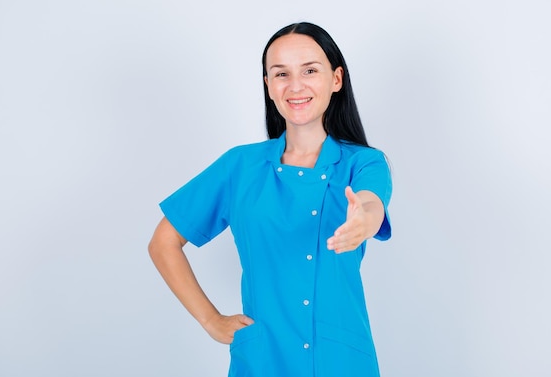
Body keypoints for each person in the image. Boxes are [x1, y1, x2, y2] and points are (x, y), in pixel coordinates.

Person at [148, 22, 392, 377]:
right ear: (268, 85)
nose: (295, 85)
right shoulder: (240, 166)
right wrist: (211, 320)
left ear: (336, 79)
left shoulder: (363, 163)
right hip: (263, 360)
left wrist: (363, 220)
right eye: (281, 73)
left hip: (340, 361)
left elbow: (371, 203)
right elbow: (164, 242)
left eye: (310, 70)